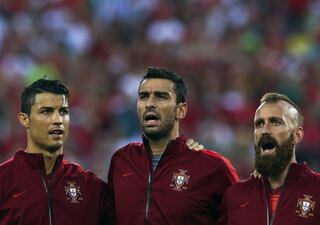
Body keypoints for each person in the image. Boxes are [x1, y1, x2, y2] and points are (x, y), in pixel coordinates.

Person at [0, 78, 116, 225]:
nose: (57, 120)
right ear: (24, 119)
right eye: (46, 112)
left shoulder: (91, 187)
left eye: (63, 112)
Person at [108, 67, 239, 225]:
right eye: (143, 97)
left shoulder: (213, 168)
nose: (150, 103)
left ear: (181, 110)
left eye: (161, 97)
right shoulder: (121, 161)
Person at [218, 93, 320, 225]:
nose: (265, 130)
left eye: (275, 122)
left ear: (297, 135)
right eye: (259, 124)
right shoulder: (235, 196)